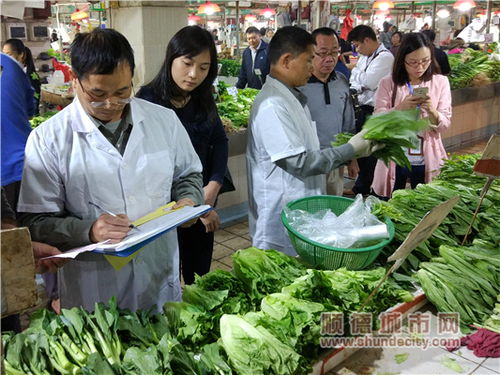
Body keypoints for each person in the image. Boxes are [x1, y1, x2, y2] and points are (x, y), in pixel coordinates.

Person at [17, 29, 204, 312]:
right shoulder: (48, 139)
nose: (111, 104)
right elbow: (37, 221)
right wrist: (89, 230)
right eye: (97, 94)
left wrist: (189, 201)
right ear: (75, 80)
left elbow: (188, 174)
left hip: (158, 271)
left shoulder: (163, 121)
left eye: (122, 91)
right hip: (94, 284)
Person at [247, 26, 382, 255]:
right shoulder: (272, 104)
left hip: (299, 207)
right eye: (310, 60)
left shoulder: (293, 97)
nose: (314, 67)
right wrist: (351, 149)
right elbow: (299, 162)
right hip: (279, 214)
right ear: (287, 60)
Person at [137, 26, 228, 285]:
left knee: (199, 274)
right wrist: (192, 202)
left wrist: (214, 185)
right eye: (187, 63)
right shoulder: (147, 101)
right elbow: (148, 163)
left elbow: (219, 140)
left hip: (203, 196)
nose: (193, 74)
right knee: (163, 275)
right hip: (164, 205)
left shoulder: (202, 98)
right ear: (171, 59)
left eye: (203, 67)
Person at [371, 32, 451, 198]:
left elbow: (445, 123)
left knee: (424, 203)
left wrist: (432, 111)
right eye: (413, 62)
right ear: (402, 60)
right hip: (396, 156)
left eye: (425, 61)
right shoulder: (388, 83)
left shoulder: (440, 82)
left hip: (426, 156)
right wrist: (400, 108)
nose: (419, 68)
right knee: (390, 201)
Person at [299, 27, 356, 195]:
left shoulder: (341, 81)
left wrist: (353, 157)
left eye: (334, 52)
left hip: (336, 160)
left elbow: (348, 123)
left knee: (333, 209)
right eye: (322, 53)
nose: (330, 59)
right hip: (308, 162)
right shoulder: (300, 85)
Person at [347, 25, 394, 196]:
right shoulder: (365, 57)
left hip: (374, 110)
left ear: (367, 40)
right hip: (361, 107)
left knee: (371, 151)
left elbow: (370, 82)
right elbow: (355, 78)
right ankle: (362, 186)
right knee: (363, 149)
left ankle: (368, 188)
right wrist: (359, 75)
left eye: (357, 45)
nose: (357, 49)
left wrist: (357, 73)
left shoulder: (385, 57)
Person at [3, 39, 41, 114]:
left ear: (21, 54)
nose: (6, 59)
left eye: (9, 55)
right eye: (4, 55)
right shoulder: (7, 74)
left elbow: (33, 104)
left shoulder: (31, 77)